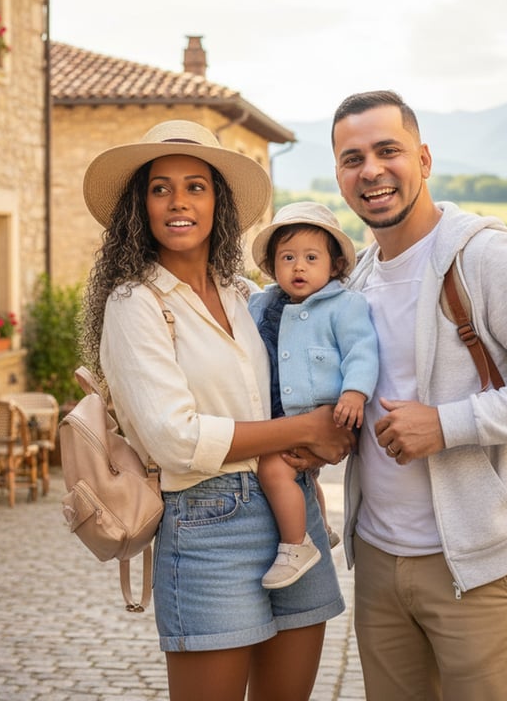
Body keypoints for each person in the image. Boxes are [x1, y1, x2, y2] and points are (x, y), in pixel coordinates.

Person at [329, 91, 507, 701]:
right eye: (353, 158)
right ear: (340, 177)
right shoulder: (356, 279)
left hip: (478, 562)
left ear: (423, 159)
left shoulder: (484, 255)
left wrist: (448, 423)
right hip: (377, 557)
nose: (371, 170)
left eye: (388, 151)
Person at [80, 120, 353, 701]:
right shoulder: (134, 303)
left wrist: (322, 435)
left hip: (292, 513)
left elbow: (291, 377)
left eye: (196, 186)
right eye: (160, 188)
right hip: (208, 523)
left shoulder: (243, 292)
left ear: (218, 203)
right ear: (140, 205)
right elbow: (175, 440)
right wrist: (307, 428)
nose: (178, 201)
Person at [247, 201, 378, 589]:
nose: (298, 267)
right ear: (272, 266)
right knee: (304, 478)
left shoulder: (344, 306)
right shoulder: (263, 304)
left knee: (273, 469)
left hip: (322, 417)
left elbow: (363, 351)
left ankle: (296, 544)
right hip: (280, 414)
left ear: (334, 266)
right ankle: (318, 526)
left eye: (310, 257)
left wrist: (355, 392)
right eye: (287, 258)